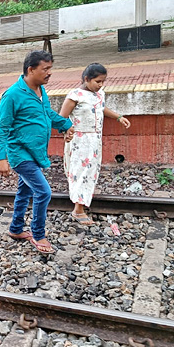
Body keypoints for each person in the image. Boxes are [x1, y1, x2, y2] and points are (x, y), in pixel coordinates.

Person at [0, 50, 73, 255]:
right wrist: (1, 158)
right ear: (31, 69)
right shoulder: (12, 95)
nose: (49, 73)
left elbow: (47, 114)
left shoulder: (39, 90)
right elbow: (0, 128)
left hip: (35, 152)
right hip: (20, 154)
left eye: (50, 69)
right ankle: (38, 234)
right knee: (43, 191)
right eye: (45, 69)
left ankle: (16, 229)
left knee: (25, 191)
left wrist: (65, 125)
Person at [59, 63, 130, 235]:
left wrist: (118, 117)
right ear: (86, 79)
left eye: (103, 82)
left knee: (91, 173)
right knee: (80, 172)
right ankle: (78, 209)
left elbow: (100, 107)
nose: (100, 85)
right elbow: (61, 118)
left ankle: (82, 204)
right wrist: (66, 131)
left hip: (94, 140)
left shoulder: (99, 94)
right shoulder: (75, 96)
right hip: (79, 140)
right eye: (98, 81)